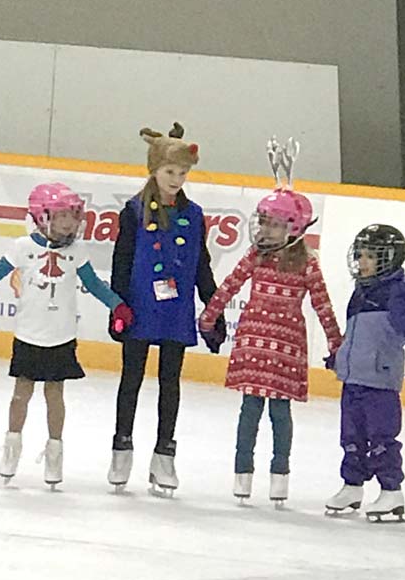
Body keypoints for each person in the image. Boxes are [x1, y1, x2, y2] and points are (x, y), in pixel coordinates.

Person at [199, 139, 342, 507]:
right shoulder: (256, 255)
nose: (264, 230)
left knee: (280, 412)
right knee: (250, 410)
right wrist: (209, 315)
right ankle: (242, 472)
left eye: (273, 224)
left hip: (286, 346)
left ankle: (280, 475)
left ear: (293, 228)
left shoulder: (306, 263)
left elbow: (323, 306)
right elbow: (230, 284)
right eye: (263, 222)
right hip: (253, 341)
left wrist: (337, 345)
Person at [0, 183, 132, 488]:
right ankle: (12, 447)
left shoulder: (77, 251)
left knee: (55, 394)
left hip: (61, 335)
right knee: (21, 393)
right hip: (28, 334)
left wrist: (117, 305)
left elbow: (94, 284)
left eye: (73, 215)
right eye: (62, 215)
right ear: (41, 217)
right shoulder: (22, 247)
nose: (69, 222)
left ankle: (55, 451)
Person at [108, 123, 225, 496]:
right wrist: (118, 304)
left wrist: (214, 305)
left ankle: (164, 454)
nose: (176, 179)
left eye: (182, 173)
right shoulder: (133, 211)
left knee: (170, 382)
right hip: (140, 306)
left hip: (176, 310)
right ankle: (121, 448)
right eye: (170, 172)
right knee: (131, 379)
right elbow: (121, 261)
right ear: (154, 170)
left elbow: (201, 265)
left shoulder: (194, 215)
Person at [325, 224, 405, 522]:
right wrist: (340, 356)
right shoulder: (362, 290)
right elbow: (355, 332)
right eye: (360, 255)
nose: (363, 261)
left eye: (371, 256)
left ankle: (391, 490)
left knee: (381, 435)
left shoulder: (398, 291)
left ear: (391, 257)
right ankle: (352, 485)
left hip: (380, 380)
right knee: (351, 434)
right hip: (354, 377)